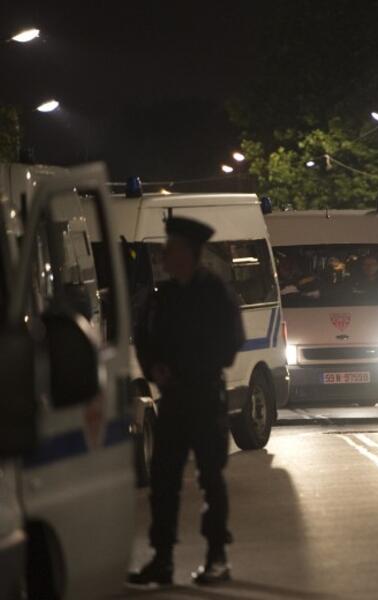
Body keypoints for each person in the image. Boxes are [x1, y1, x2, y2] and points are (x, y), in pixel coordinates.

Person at [127, 216, 244, 587]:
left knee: (210, 478)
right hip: (173, 399)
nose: (164, 254)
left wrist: (195, 367)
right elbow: (144, 337)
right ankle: (162, 558)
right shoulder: (164, 295)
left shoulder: (214, 291)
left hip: (205, 395)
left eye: (171, 248)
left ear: (190, 253)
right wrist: (154, 367)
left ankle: (216, 557)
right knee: (163, 480)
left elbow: (231, 340)